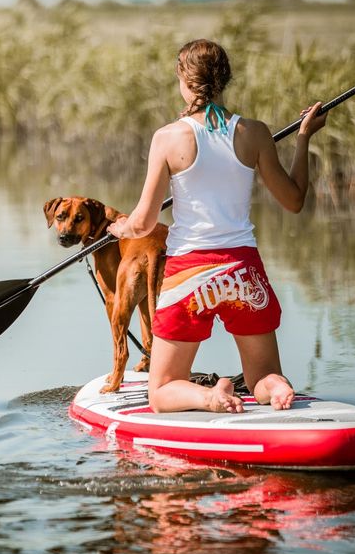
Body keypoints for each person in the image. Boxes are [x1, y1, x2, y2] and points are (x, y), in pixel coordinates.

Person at [107, 39, 327, 414]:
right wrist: (304, 137)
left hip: (190, 273)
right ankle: (275, 388)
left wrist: (120, 228)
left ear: (182, 78)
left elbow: (144, 223)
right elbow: (293, 201)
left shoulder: (168, 138)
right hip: (243, 270)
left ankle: (209, 395)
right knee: (262, 376)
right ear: (224, 79)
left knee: (160, 392)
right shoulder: (255, 133)